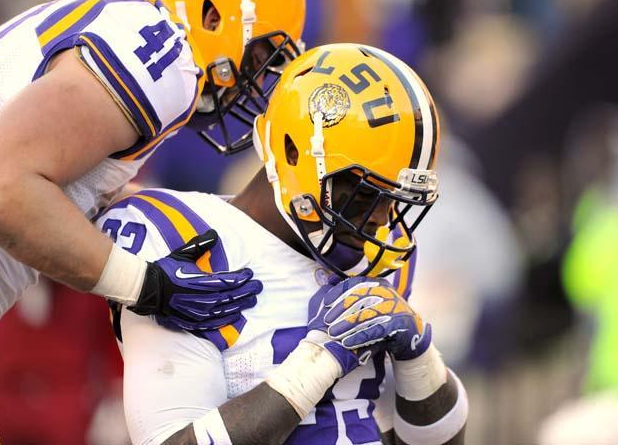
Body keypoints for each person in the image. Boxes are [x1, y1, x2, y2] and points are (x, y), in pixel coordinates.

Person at [96, 43, 468, 445]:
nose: (380, 220)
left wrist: (421, 356)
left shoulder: (383, 253)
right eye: (364, 196)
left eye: (392, 201)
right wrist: (316, 363)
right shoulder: (188, 242)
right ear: (293, 153)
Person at [0, 0, 305, 339]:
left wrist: (217, 222)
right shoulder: (167, 55)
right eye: (258, 56)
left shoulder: (130, 23)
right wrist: (146, 284)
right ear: (212, 16)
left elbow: (69, 191)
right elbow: (2, 186)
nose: (252, 79)